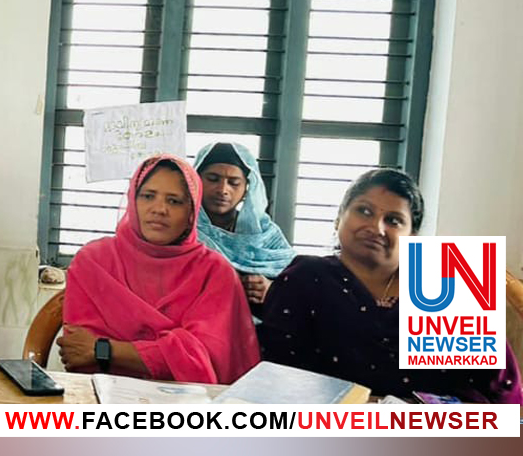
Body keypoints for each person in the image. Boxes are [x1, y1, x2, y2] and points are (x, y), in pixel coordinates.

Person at [258, 169, 522, 403]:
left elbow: (499, 392)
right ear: (339, 218)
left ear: (412, 235)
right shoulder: (305, 278)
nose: (376, 227)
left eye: (394, 220)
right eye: (364, 211)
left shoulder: (446, 281)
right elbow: (278, 382)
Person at [56, 154, 259, 384]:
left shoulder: (215, 272)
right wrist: (173, 351)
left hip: (188, 402)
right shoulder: (94, 262)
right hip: (103, 394)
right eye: (148, 196)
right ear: (133, 199)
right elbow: (79, 353)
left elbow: (205, 360)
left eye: (174, 201)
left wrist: (106, 350)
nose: (159, 209)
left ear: (192, 211)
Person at [192, 142, 294, 311]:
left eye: (233, 183)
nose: (223, 190)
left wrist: (270, 289)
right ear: (196, 181)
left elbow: (295, 283)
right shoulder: (181, 228)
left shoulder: (264, 233)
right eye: (213, 179)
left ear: (247, 189)